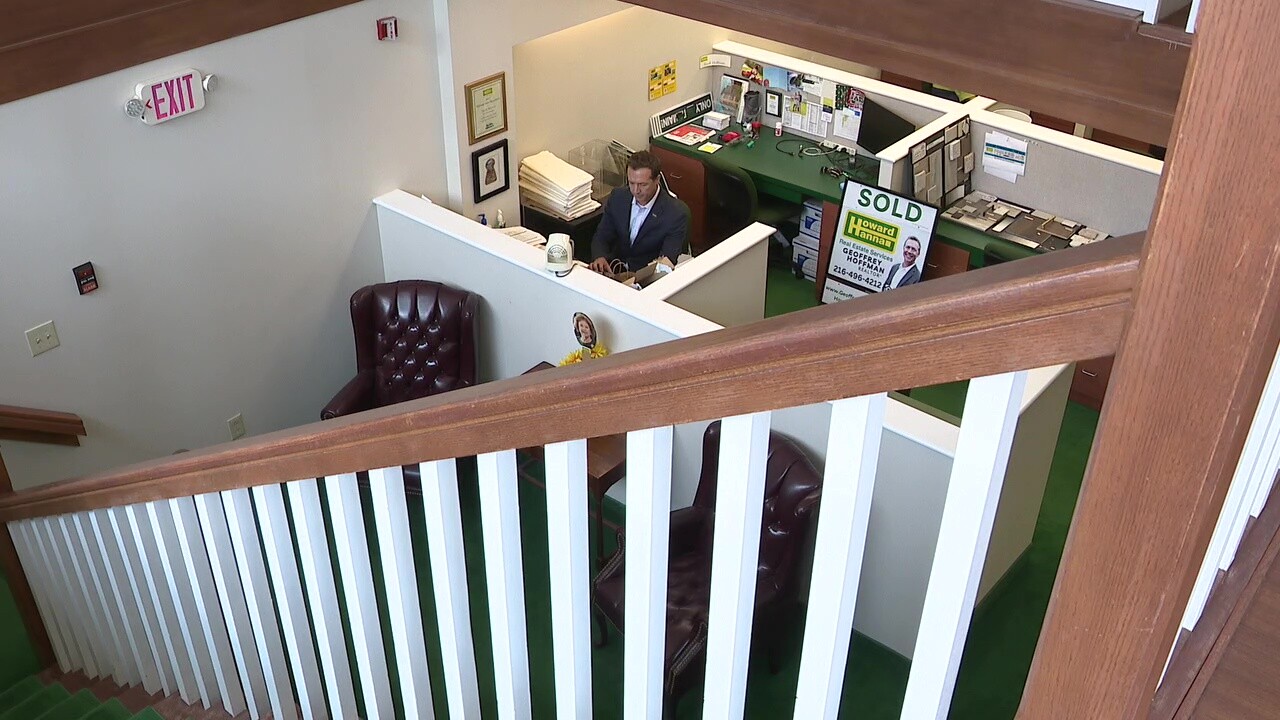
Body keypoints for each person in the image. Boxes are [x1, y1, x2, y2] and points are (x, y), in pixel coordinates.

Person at [590, 151, 689, 274]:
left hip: (645, 278)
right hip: (613, 270)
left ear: (657, 180)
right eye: (631, 183)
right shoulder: (618, 197)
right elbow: (602, 235)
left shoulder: (676, 213)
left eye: (643, 184)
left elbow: (666, 260)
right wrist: (600, 257)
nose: (636, 191)